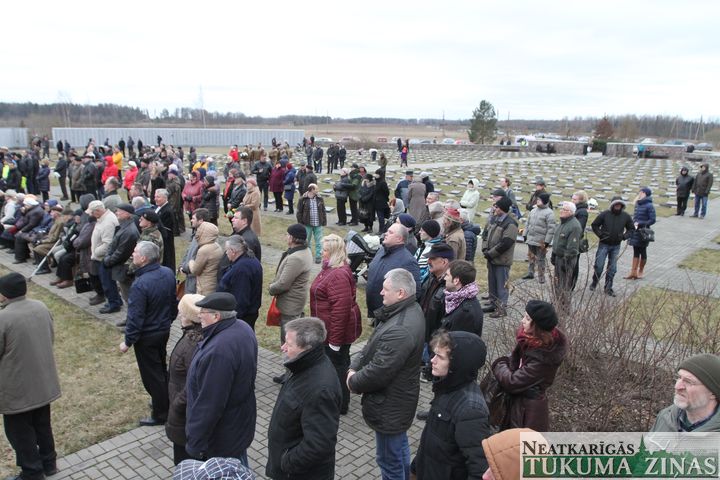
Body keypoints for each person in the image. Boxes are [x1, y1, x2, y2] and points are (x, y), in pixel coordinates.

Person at [348, 268, 425, 480]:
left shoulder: (400, 328)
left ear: (400, 293)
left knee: (388, 462)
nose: (381, 292)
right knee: (399, 451)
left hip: (390, 406)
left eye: (385, 289)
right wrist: (354, 365)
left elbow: (378, 371)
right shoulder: (407, 310)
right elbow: (372, 345)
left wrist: (353, 381)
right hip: (397, 402)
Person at [0, 273, 61, 480]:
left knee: (19, 432)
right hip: (43, 381)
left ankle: (32, 472)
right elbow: (50, 338)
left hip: (17, 388)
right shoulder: (41, 307)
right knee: (42, 424)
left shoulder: (3, 318)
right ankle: (49, 464)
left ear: (4, 294)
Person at [185, 292, 258, 465]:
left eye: (203, 312)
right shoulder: (243, 327)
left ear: (216, 316)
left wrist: (195, 443)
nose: (199, 315)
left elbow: (210, 403)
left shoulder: (219, 351)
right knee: (239, 464)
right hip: (239, 422)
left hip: (223, 433)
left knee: (228, 470)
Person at [265, 318, 342, 480]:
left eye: (289, 344)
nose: (282, 347)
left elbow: (319, 444)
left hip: (298, 473)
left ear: (307, 347)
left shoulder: (321, 390)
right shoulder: (301, 365)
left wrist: (286, 463)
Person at [411, 330, 491, 479]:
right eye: (434, 354)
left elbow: (479, 469)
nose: (432, 360)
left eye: (440, 357)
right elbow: (431, 438)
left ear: (458, 364)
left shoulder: (471, 410)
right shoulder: (446, 388)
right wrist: (415, 468)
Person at [119, 241, 178, 426]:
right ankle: (165, 400)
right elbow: (173, 302)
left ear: (144, 258)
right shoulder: (167, 273)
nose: (132, 254)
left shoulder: (140, 284)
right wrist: (169, 320)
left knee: (152, 376)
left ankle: (161, 413)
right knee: (160, 368)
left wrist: (128, 341)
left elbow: (135, 317)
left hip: (147, 336)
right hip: (163, 330)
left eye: (135, 252)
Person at [492, 300, 567, 431]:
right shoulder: (529, 340)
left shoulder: (544, 358)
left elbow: (512, 382)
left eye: (527, 318)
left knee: (522, 442)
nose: (522, 321)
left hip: (528, 411)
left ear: (538, 326)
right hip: (518, 403)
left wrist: (499, 364)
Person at [309, 234, 362, 414]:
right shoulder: (330, 269)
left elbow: (340, 311)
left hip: (334, 333)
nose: (320, 252)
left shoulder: (337, 275)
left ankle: (339, 404)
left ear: (333, 253)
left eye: (324, 250)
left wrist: (335, 342)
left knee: (337, 368)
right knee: (339, 365)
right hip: (328, 330)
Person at [269, 224, 313, 382]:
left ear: (294, 238)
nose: (286, 237)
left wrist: (271, 288)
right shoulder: (304, 251)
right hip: (295, 303)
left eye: (288, 235)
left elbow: (283, 284)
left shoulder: (296, 258)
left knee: (288, 341)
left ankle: (290, 376)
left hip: (290, 305)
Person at [166, 294, 205, 465]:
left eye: (182, 313)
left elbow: (194, 383)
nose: (179, 316)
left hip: (185, 413)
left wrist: (177, 404)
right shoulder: (192, 335)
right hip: (183, 408)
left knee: (185, 462)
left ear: (191, 318)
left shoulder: (192, 344)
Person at [650, 353, 720, 432]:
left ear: (712, 393)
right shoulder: (665, 417)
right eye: (679, 377)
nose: (677, 387)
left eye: (688, 381)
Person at [365, 222, 421, 318]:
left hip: (389, 313)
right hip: (376, 310)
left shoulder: (408, 261)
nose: (385, 234)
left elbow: (415, 292)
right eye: (387, 231)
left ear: (399, 239)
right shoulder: (382, 250)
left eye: (390, 232)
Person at [481, 197, 518, 318]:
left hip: (502, 260)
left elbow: (506, 243)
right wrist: (485, 249)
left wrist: (491, 253)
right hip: (491, 258)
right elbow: (486, 234)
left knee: (502, 286)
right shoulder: (495, 219)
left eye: (496, 207)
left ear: (502, 208)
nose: (494, 209)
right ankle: (493, 304)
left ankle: (501, 308)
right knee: (492, 283)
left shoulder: (510, 224)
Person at [590, 196, 634, 296]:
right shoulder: (605, 214)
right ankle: (594, 282)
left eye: (619, 204)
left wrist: (624, 236)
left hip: (616, 246)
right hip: (603, 244)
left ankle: (608, 287)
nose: (617, 206)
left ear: (622, 205)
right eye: (616, 204)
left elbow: (631, 229)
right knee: (599, 266)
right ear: (612, 205)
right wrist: (601, 235)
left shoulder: (626, 216)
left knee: (612, 268)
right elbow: (594, 225)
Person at [100, 203, 139, 314]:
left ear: (127, 214)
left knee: (128, 296)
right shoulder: (124, 226)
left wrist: (108, 261)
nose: (117, 213)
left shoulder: (129, 231)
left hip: (124, 268)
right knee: (125, 294)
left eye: (119, 211)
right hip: (119, 266)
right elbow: (113, 245)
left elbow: (121, 252)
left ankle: (131, 318)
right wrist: (108, 256)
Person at [217, 235, 263, 330]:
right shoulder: (248, 259)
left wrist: (232, 321)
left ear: (233, 251)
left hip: (241, 319)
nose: (226, 253)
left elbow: (241, 299)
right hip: (248, 315)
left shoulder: (242, 269)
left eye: (227, 250)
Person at [551, 201, 583, 310]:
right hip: (558, 257)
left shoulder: (574, 226)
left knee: (564, 285)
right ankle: (557, 304)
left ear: (571, 212)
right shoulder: (563, 223)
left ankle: (564, 308)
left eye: (565, 210)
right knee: (557, 283)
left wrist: (565, 261)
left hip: (566, 260)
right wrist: (554, 254)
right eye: (562, 209)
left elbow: (572, 248)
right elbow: (558, 241)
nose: (561, 211)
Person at [88, 200, 119, 307]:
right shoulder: (103, 218)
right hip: (100, 257)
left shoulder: (108, 222)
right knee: (106, 281)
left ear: (98, 211)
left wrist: (95, 252)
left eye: (92, 212)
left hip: (103, 257)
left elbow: (107, 244)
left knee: (108, 282)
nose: (91, 215)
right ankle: (115, 300)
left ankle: (113, 304)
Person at [441, 260, 484, 335]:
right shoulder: (456, 300)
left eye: (447, 275)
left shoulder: (466, 313)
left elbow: (457, 340)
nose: (444, 278)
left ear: (456, 280)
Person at [523, 192, 555, 284]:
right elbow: (527, 223)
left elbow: (551, 228)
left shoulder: (549, 213)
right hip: (531, 239)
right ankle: (530, 272)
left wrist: (547, 241)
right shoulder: (533, 211)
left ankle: (541, 276)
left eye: (539, 200)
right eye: (537, 199)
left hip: (541, 241)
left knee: (541, 259)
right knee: (531, 257)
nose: (537, 201)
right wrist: (525, 234)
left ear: (544, 201)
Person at [626, 187, 656, 280]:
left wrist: (641, 224)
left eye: (641, 192)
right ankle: (633, 272)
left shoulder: (649, 205)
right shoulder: (638, 204)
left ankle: (641, 271)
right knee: (635, 250)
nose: (639, 194)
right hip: (635, 231)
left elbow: (652, 219)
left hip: (644, 232)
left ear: (644, 193)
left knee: (642, 251)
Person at [187, 221, 222, 295]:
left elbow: (195, 270)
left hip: (204, 287)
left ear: (205, 233)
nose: (198, 232)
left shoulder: (204, 250)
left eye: (200, 230)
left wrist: (191, 261)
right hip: (213, 283)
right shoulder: (216, 245)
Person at [296, 183, 327, 264]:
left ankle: (318, 256)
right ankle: (308, 256)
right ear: (312, 190)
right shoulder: (303, 199)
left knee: (319, 241)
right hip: (307, 224)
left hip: (318, 223)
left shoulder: (320, 198)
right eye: (316, 189)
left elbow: (323, 210)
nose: (318, 190)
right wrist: (300, 222)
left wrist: (324, 221)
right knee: (307, 241)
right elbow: (299, 212)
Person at [570, 190, 589, 290]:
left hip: (575, 240)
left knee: (574, 264)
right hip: (571, 239)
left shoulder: (582, 212)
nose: (572, 201)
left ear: (580, 200)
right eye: (572, 199)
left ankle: (571, 284)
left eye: (575, 199)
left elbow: (579, 227)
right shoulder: (575, 209)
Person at [155, 188, 177, 271]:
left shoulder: (167, 211)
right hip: (161, 239)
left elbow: (165, 229)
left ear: (165, 198)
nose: (155, 199)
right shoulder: (159, 208)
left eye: (158, 197)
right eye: (155, 197)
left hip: (166, 241)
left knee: (167, 259)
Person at [374, 168, 391, 234]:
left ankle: (382, 230)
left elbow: (387, 192)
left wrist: (382, 198)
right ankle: (381, 229)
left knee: (381, 217)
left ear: (380, 175)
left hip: (381, 202)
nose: (375, 175)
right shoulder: (377, 182)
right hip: (377, 201)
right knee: (380, 216)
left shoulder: (382, 183)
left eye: (377, 174)